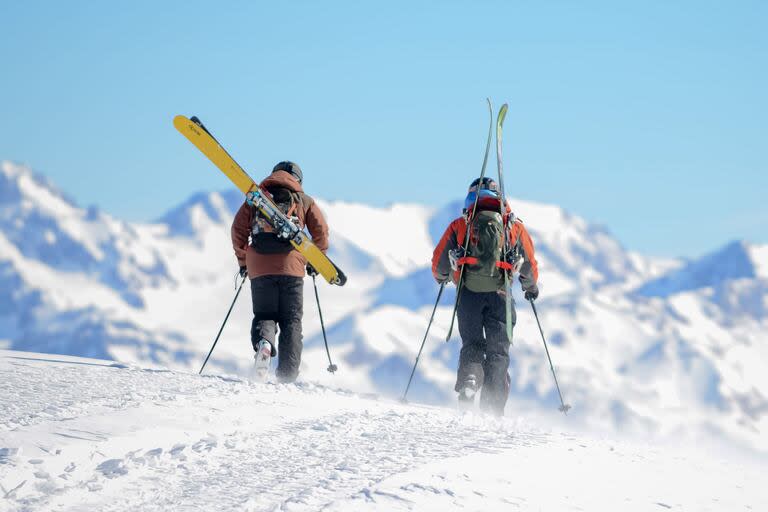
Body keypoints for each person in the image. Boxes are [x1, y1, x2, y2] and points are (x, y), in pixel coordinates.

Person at [431, 177, 539, 415]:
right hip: (501, 295)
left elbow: (439, 264)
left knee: (472, 344)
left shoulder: (460, 225)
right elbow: (529, 263)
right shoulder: (514, 227)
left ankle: (469, 380)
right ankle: (492, 407)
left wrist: (443, 277)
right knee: (498, 351)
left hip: (468, 294)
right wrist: (530, 288)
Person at [231, 161, 329, 382]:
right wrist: (316, 260)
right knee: (291, 321)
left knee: (265, 315)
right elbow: (321, 233)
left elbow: (238, 230)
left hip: (259, 268)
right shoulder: (305, 201)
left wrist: (244, 261)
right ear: (298, 180)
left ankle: (264, 344)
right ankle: (287, 375)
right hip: (292, 269)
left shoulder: (256, 198)